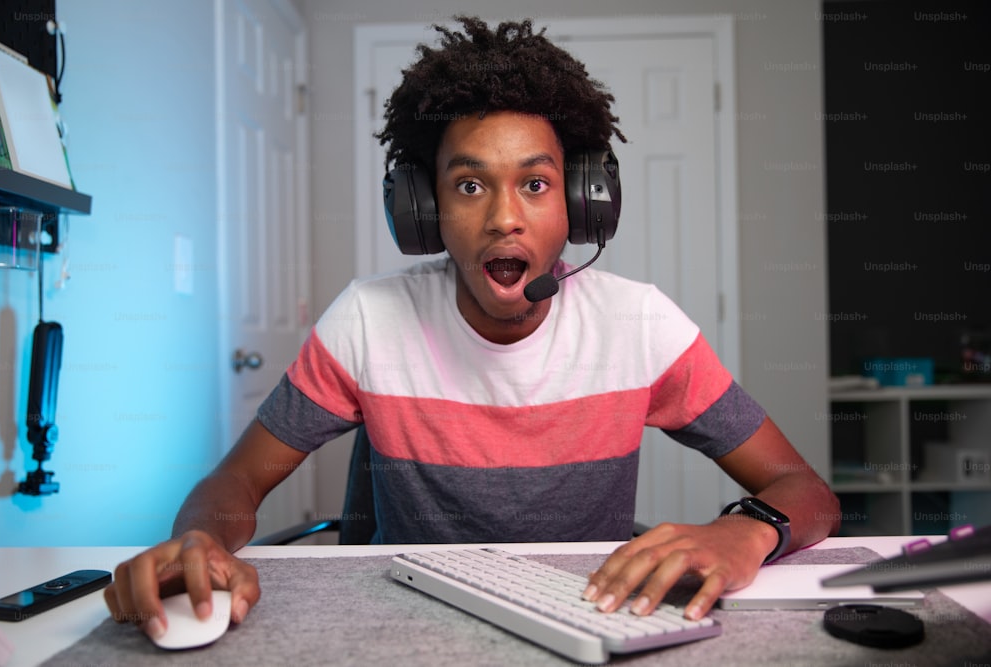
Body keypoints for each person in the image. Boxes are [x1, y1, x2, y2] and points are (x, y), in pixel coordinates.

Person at [104, 15, 840, 640]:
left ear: (582, 207)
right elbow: (235, 479)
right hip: (409, 624)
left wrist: (745, 529)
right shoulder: (369, 321)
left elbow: (805, 489)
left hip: (587, 618)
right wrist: (197, 539)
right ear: (425, 212)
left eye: (535, 183)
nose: (504, 216)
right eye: (468, 185)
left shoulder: (640, 325)